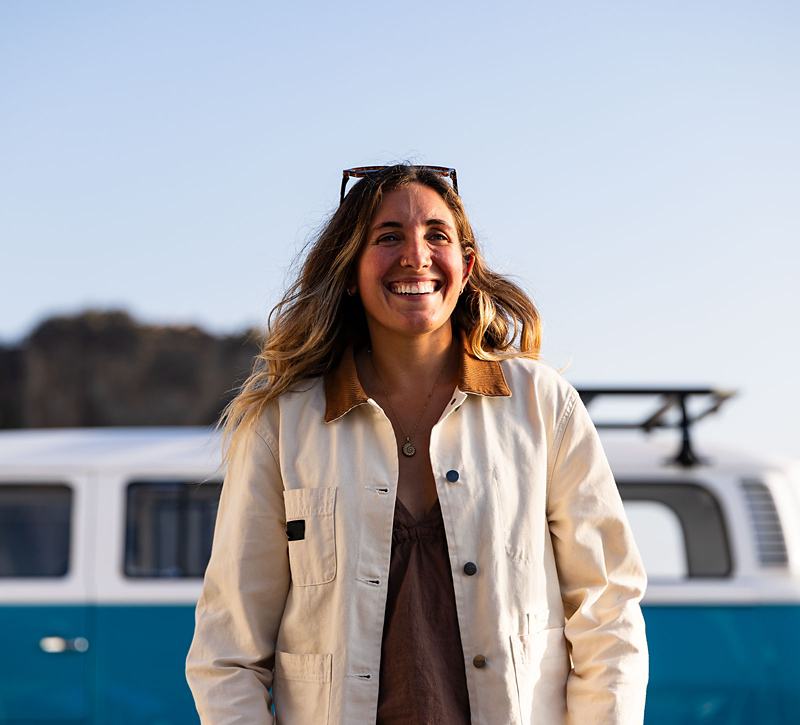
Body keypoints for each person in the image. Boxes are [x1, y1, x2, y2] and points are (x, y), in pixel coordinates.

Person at [186, 164, 648, 725]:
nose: (416, 255)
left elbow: (608, 613)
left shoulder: (542, 405)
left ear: (466, 266)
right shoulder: (282, 425)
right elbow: (227, 653)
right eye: (388, 237)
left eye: (437, 235)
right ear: (351, 271)